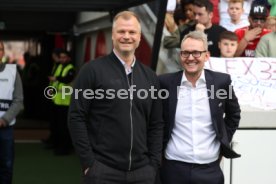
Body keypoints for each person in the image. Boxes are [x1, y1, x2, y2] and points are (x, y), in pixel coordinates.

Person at [68, 11, 164, 184]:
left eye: (132, 32)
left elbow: (156, 123)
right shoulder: (92, 70)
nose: (126, 36)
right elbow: (76, 117)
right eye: (121, 31)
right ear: (113, 35)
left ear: (139, 37)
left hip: (143, 172)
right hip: (102, 170)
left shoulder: (150, 77)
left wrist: (154, 164)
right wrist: (88, 162)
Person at [158, 31, 241, 184]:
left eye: (196, 53)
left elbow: (234, 114)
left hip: (209, 171)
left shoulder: (221, 82)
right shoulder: (165, 83)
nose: (190, 58)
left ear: (206, 56)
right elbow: (156, 121)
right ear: (180, 55)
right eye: (185, 53)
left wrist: (222, 140)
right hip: (173, 170)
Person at [0, 41, 24, 184]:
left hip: (5, 129)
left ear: (3, 52)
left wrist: (4, 120)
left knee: (6, 166)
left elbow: (18, 100)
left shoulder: (13, 72)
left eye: (0, 49)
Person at [49, 49, 75, 155]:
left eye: (64, 57)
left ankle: (65, 148)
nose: (62, 59)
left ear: (69, 58)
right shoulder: (59, 66)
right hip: (57, 100)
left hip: (65, 102)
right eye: (61, 57)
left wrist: (56, 78)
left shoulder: (71, 68)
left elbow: (67, 79)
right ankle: (58, 145)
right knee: (58, 125)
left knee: (64, 127)